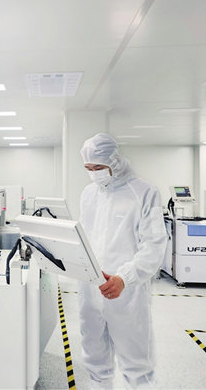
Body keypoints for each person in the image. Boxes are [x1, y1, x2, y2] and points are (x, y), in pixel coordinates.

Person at [77, 133, 167, 389]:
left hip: (126, 292)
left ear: (114, 161)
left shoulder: (144, 192)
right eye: (88, 169)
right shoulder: (89, 194)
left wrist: (124, 278)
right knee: (94, 358)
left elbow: (154, 245)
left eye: (98, 167)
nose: (93, 174)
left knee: (136, 364)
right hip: (90, 289)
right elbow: (84, 237)